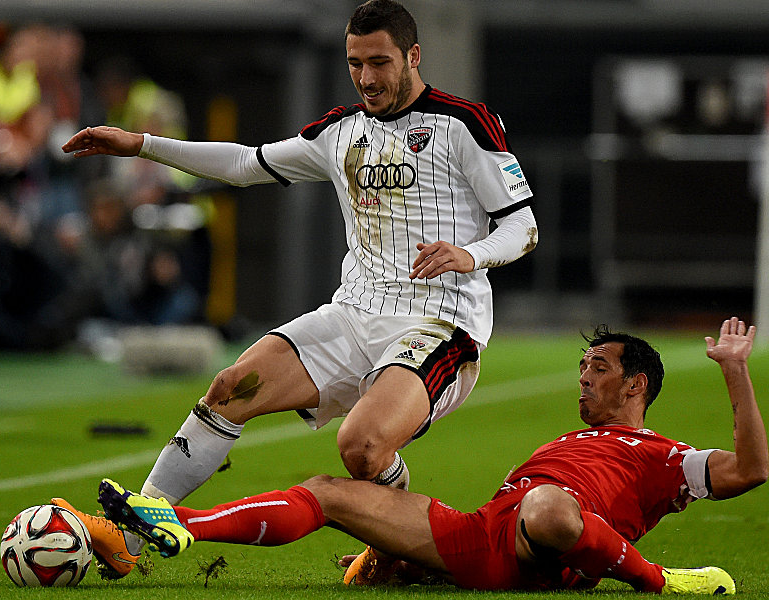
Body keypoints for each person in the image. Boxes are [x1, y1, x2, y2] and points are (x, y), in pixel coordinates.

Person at [55, 0, 538, 580]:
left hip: (439, 326)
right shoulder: (339, 131)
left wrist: (471, 253)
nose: (366, 78)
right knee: (232, 386)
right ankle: (129, 534)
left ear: (413, 56)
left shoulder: (464, 123)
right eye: (355, 63)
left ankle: (395, 544)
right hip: (353, 313)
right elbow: (242, 162)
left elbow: (523, 226)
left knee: (362, 449)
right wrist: (141, 145)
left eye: (380, 62)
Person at [89, 317, 766, 594]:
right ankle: (178, 521)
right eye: (583, 366)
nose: (583, 378)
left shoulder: (663, 456)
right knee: (329, 489)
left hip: (549, 535)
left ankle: (661, 582)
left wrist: (735, 371)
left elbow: (749, 469)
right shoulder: (568, 442)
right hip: (490, 532)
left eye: (597, 367)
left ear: (635, 384)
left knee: (551, 506)